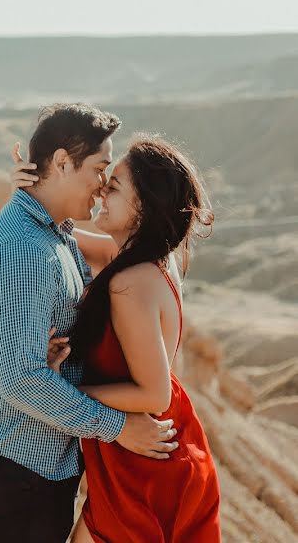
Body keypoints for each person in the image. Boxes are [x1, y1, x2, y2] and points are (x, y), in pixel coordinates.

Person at [0, 103, 179, 543]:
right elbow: (19, 379)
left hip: (38, 458)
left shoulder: (52, 233)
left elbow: (130, 255)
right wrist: (118, 426)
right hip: (16, 455)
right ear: (60, 162)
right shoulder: (23, 250)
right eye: (98, 170)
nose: (100, 187)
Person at [12, 134, 221, 542]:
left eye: (115, 186)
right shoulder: (140, 259)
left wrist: (63, 388)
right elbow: (55, 232)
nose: (102, 189)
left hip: (144, 464)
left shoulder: (129, 282)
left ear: (143, 207)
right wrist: (31, 190)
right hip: (150, 451)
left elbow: (155, 394)